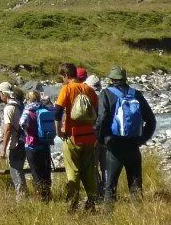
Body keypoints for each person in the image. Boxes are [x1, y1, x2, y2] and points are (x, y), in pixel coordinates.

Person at [97, 66, 157, 205]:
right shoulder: (136, 94)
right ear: (124, 79)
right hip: (133, 145)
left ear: (111, 79)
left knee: (110, 186)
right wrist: (142, 139)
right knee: (135, 186)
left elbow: (101, 119)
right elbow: (151, 120)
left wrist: (102, 139)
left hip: (114, 146)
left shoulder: (106, 93)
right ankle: (138, 217)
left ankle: (108, 219)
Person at [55, 62, 100, 212]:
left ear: (67, 75)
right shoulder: (89, 89)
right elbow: (96, 112)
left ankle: (73, 202)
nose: (62, 80)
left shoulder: (67, 89)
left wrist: (59, 131)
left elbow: (57, 112)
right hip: (88, 136)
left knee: (72, 170)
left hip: (72, 136)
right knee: (88, 170)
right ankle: (92, 202)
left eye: (62, 77)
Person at [20, 89, 58, 200]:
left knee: (36, 172)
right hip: (45, 143)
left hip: (32, 145)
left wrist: (26, 131)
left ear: (28, 99)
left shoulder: (28, 111)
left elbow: (22, 123)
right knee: (46, 170)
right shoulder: (44, 108)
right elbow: (54, 111)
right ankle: (48, 194)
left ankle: (40, 196)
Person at [0, 82, 28, 197]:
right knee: (19, 169)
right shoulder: (19, 104)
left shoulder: (8, 108)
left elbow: (8, 128)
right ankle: (23, 195)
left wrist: (3, 148)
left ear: (4, 93)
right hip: (23, 141)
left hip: (15, 143)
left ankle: (22, 198)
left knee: (15, 170)